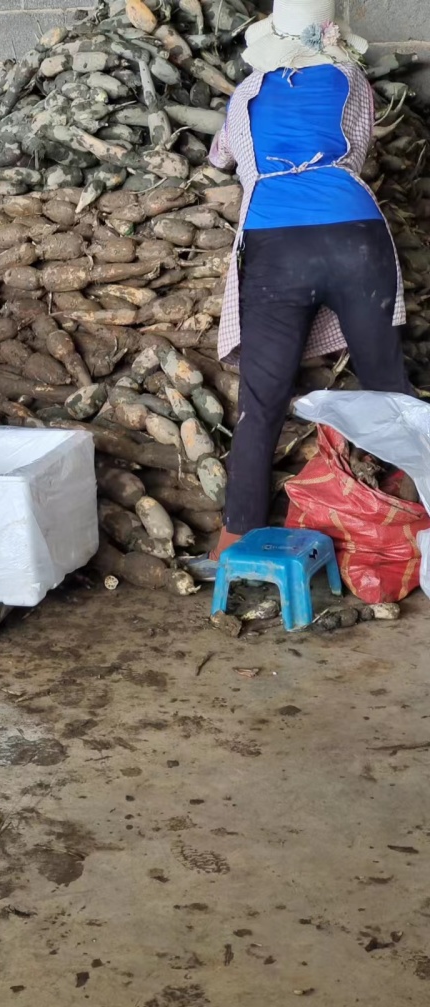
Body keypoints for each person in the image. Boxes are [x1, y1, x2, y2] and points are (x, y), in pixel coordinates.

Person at [187, 0, 413, 579]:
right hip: (355, 239)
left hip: (275, 245)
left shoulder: (246, 93)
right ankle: (407, 517)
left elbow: (224, 158)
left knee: (261, 401)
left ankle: (235, 534)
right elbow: (354, 151)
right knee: (388, 385)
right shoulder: (350, 78)